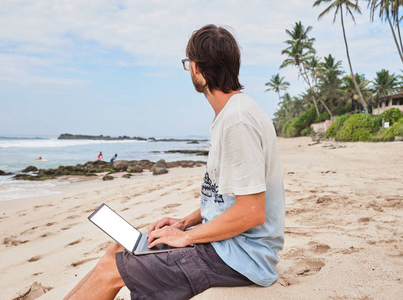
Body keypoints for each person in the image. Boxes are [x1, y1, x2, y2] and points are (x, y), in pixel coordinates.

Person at [65, 24, 285, 300]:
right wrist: (185, 222)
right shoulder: (230, 115)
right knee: (119, 249)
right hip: (225, 246)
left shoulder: (237, 121)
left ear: (196, 69)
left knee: (112, 268)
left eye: (188, 63)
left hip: (241, 258)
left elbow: (252, 212)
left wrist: (187, 237)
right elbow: (226, 199)